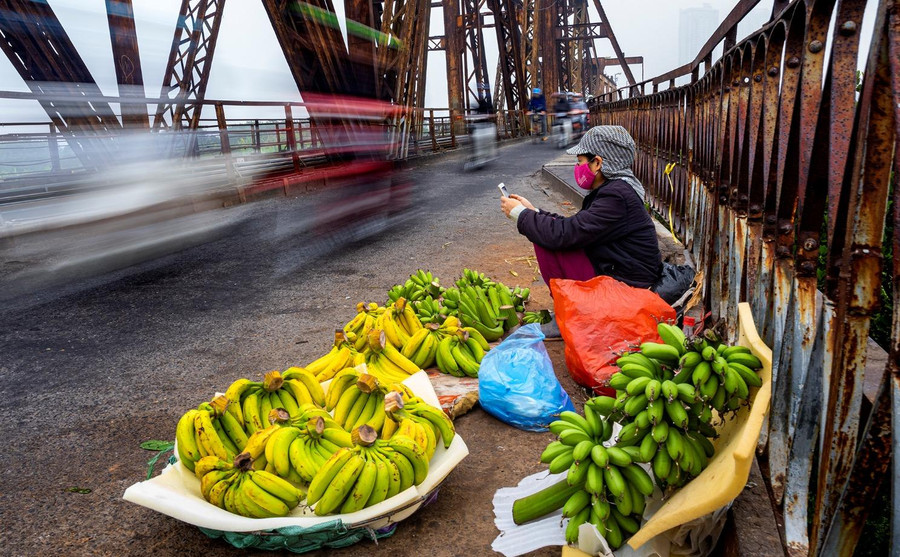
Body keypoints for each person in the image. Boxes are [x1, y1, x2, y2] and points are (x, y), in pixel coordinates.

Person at [500, 125, 674, 298]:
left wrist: (521, 215)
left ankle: (573, 305)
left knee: (545, 239)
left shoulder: (616, 196)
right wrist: (532, 211)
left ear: (597, 162)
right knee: (543, 229)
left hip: (627, 286)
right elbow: (576, 226)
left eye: (580, 161)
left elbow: (564, 233)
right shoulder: (616, 189)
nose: (577, 166)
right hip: (620, 271)